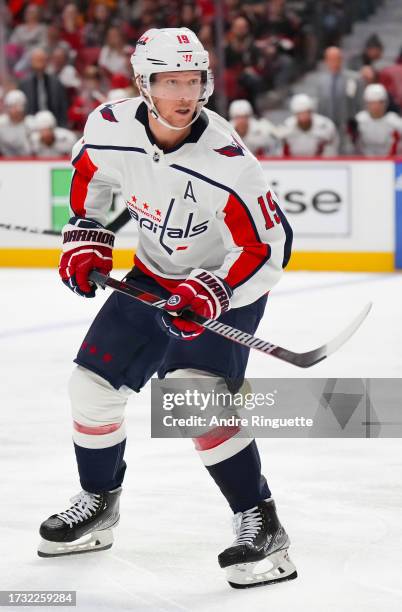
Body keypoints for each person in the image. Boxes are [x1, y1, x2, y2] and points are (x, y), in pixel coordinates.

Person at [37, 27, 296, 590]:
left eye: (194, 80)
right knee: (91, 388)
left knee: (193, 398)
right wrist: (87, 233)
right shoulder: (108, 127)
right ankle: (99, 503)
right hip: (154, 274)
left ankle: (264, 524)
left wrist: (214, 291)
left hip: (222, 284)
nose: (184, 94)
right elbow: (90, 181)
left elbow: (269, 247)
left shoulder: (229, 162)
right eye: (169, 81)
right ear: (142, 84)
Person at [314, 46, 363, 149]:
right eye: (331, 59)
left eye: (337, 58)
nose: (334, 62)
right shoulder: (321, 81)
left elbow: (359, 103)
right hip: (327, 125)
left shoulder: (353, 79)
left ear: (341, 59)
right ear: (326, 60)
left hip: (347, 126)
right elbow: (320, 104)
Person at [19, 47, 68, 127]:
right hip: (31, 123)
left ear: (46, 61)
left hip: (53, 123)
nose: (39, 63)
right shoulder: (24, 84)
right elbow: (23, 108)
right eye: (37, 60)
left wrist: (63, 125)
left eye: (42, 60)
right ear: (31, 62)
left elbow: (63, 107)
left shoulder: (56, 82)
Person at [349, 84, 402, 156]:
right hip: (363, 162)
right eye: (372, 103)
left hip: (389, 161)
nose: (376, 107)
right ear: (367, 104)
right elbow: (350, 145)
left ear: (385, 103)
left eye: (380, 103)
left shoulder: (395, 122)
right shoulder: (359, 120)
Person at [0, 89, 33, 157]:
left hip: (28, 162)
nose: (14, 110)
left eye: (18, 105)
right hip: (4, 162)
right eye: (11, 106)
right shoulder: (1, 123)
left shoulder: (31, 123)